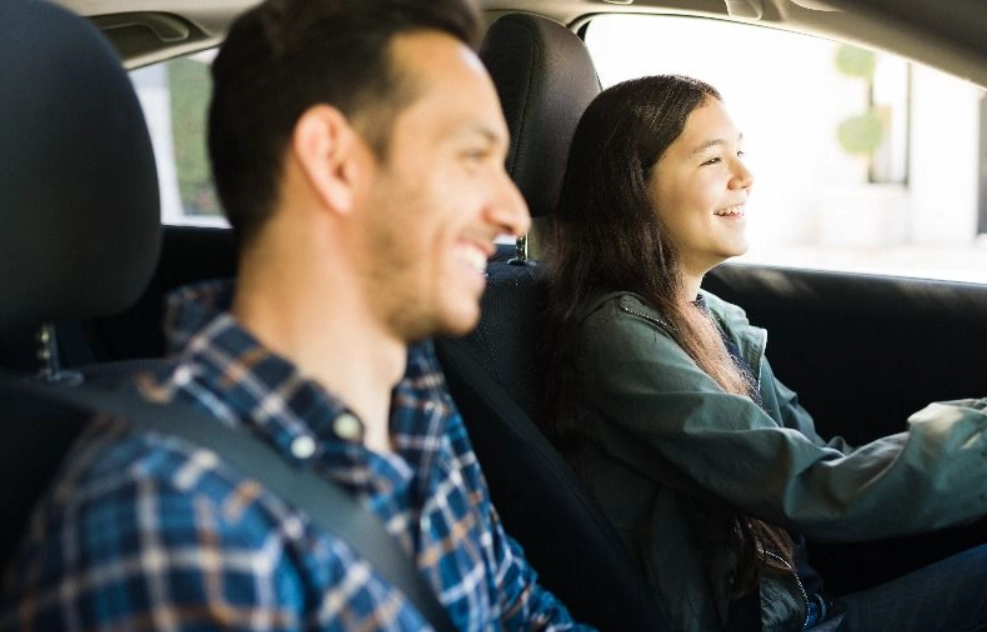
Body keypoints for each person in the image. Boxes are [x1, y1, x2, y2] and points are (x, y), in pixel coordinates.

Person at [0, 1, 594, 630]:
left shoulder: (412, 403)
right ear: (335, 161)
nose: (510, 211)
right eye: (472, 157)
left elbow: (524, 613)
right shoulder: (175, 524)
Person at [540, 74, 987, 632]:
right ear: (633, 186)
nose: (746, 177)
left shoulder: (713, 318)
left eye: (741, 153)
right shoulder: (617, 338)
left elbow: (820, 457)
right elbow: (810, 486)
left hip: (805, 609)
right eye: (712, 161)